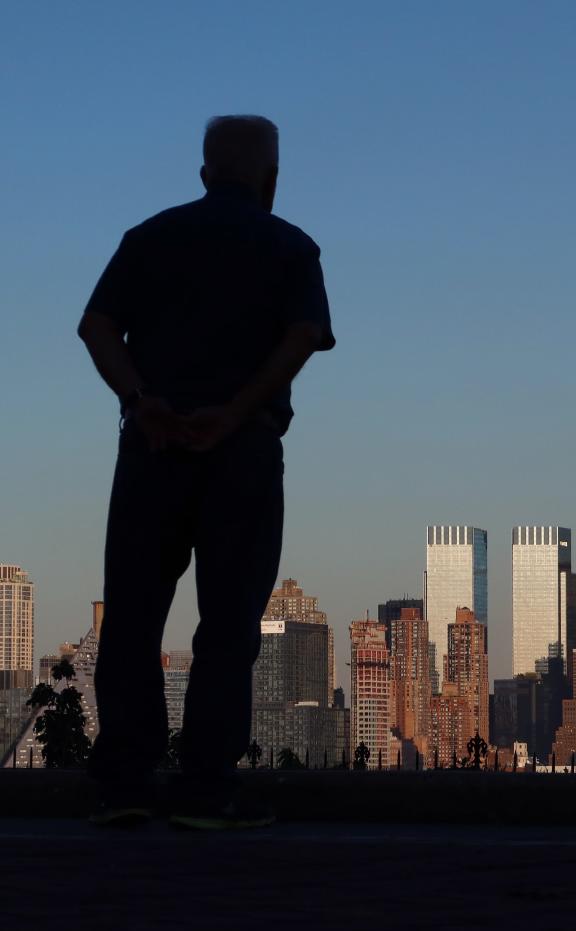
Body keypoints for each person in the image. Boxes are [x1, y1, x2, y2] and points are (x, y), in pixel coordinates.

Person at [78, 115, 334, 829]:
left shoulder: (149, 237)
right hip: (242, 452)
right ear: (271, 180)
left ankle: (125, 784)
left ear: (202, 173)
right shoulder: (290, 246)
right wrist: (236, 410)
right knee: (227, 625)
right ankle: (205, 790)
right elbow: (307, 333)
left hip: (150, 450)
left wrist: (141, 400)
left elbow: (95, 325)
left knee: (131, 617)